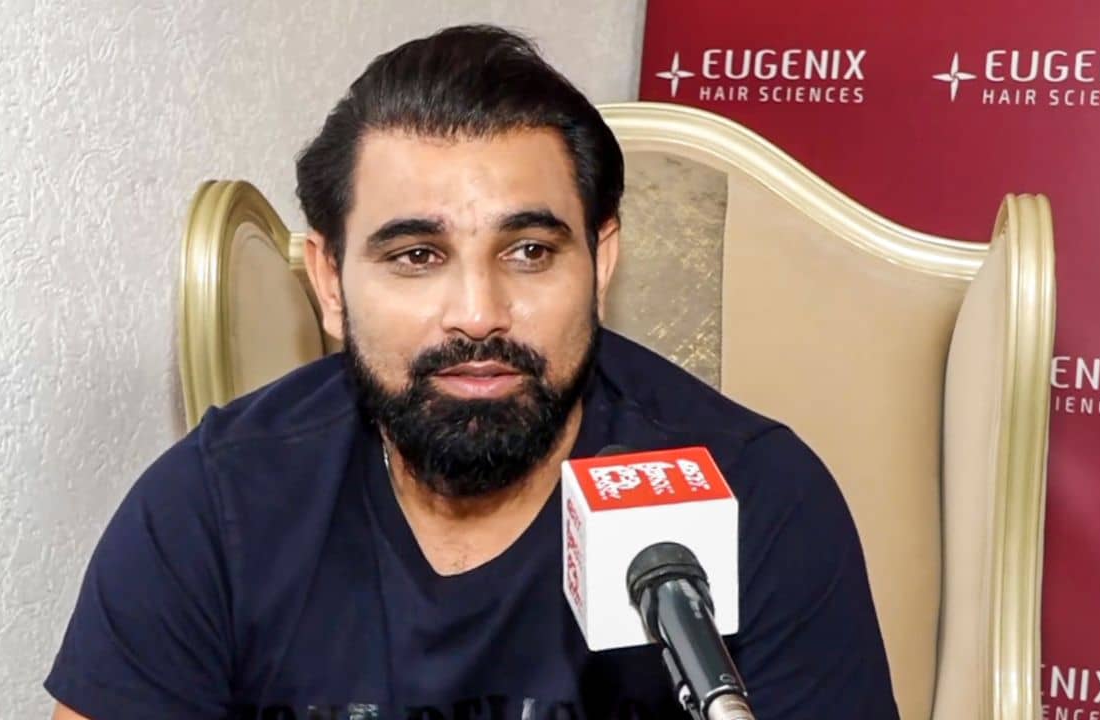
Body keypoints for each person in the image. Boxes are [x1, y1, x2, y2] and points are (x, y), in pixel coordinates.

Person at [45, 24, 898, 720]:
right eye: (417, 255)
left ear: (600, 262)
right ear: (330, 282)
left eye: (529, 251)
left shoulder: (760, 500)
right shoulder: (214, 508)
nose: (479, 312)